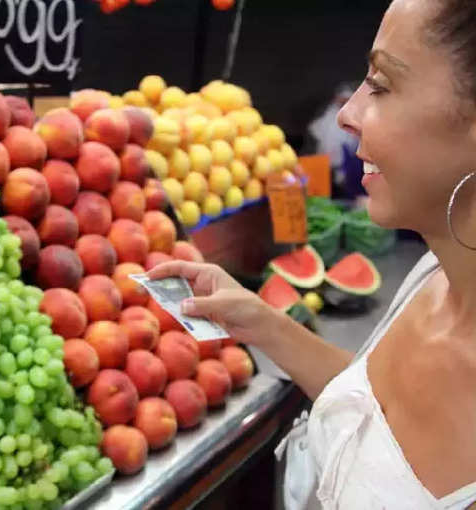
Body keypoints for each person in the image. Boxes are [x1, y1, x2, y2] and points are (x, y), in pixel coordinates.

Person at [148, 0, 476, 508]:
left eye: (381, 85)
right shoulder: (434, 272)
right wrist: (261, 322)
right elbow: (372, 415)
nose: (346, 114)